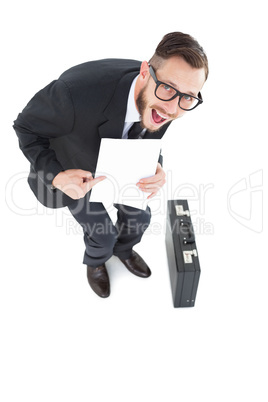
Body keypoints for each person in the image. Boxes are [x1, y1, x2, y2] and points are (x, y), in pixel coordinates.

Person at [13, 32, 209, 299]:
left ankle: (124, 250)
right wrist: (57, 176)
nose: (173, 108)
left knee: (140, 218)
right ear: (144, 72)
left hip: (124, 162)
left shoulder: (171, 95)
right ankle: (96, 260)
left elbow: (150, 127)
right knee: (101, 233)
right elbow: (26, 127)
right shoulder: (74, 93)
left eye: (187, 97)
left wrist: (155, 164)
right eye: (168, 89)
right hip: (76, 169)